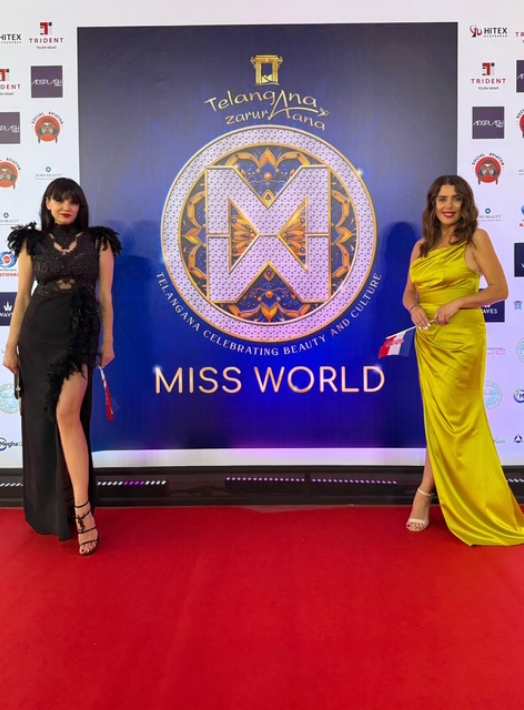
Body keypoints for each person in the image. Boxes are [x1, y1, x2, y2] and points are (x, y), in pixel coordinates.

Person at [402, 174, 524, 545]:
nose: (449, 206)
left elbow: (500, 290)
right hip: (429, 341)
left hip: (462, 342)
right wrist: (414, 310)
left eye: (456, 199)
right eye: (442, 199)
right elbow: (409, 294)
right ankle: (429, 493)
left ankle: (425, 494)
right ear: (433, 204)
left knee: (458, 421)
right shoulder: (421, 247)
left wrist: (459, 302)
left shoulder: (476, 239)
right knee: (437, 418)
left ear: (465, 204)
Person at [3, 178, 121, 555]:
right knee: (43, 423)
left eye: (73, 200)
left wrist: (107, 342)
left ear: (80, 206)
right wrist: (10, 346)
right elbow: (22, 298)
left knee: (67, 415)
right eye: (59, 200)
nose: (66, 206)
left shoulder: (99, 242)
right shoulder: (31, 243)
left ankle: (83, 511)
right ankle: (53, 511)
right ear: (48, 204)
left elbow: (105, 297)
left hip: (79, 335)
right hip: (37, 337)